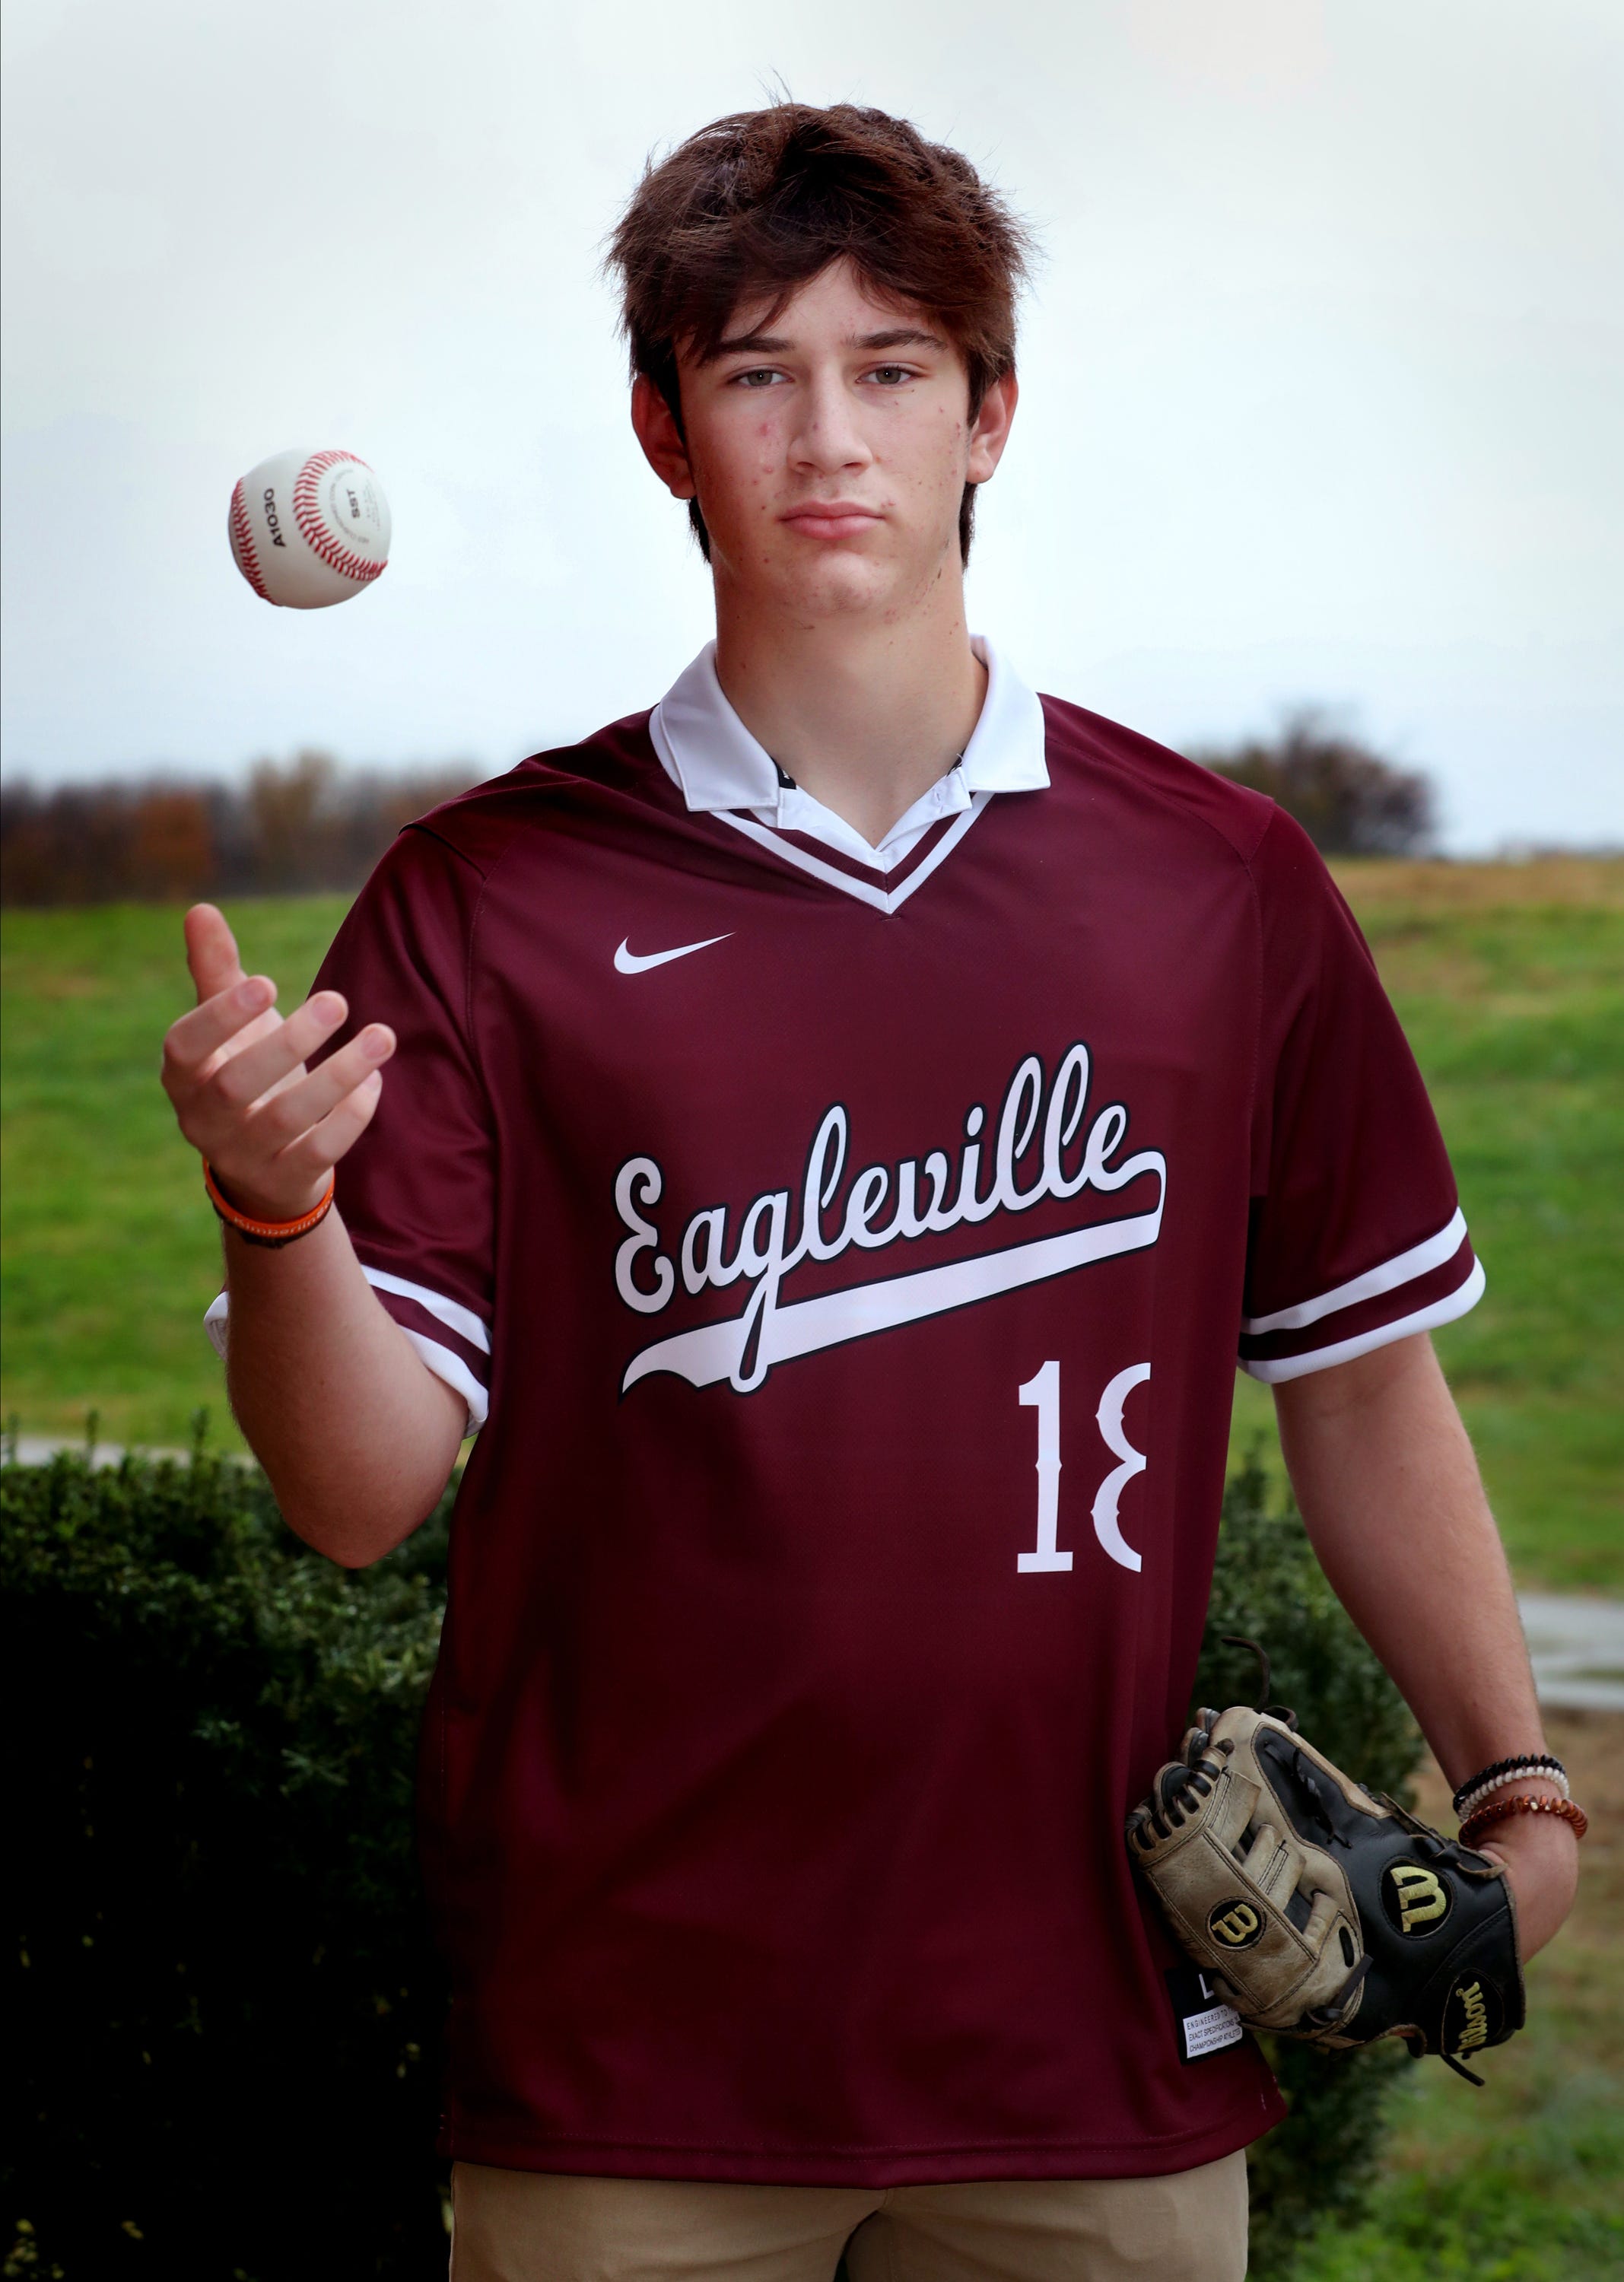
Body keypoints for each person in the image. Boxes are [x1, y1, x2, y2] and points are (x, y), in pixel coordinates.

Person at [161, 102, 1578, 2282]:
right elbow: (358, 1493)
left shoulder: (1221, 887)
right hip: (635, 2049)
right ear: (666, 433)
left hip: (1089, 2039)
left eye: (895, 364)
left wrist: (1520, 1786)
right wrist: (279, 1215)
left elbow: (1361, 1378)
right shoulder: (487, 901)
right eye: (757, 371)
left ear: (991, 412)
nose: (832, 431)